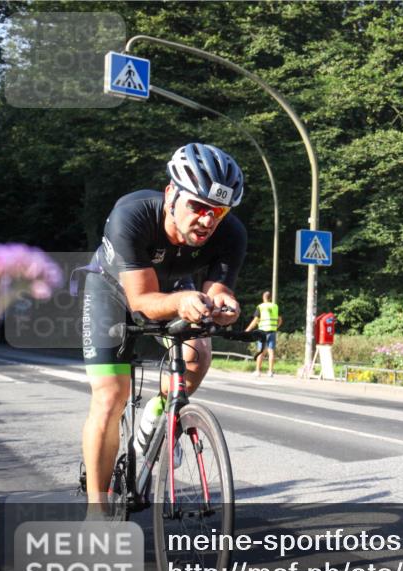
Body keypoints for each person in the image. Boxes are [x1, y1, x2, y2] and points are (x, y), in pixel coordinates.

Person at [79, 142, 247, 511]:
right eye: (198, 207)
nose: (207, 220)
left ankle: (160, 411)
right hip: (114, 292)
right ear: (171, 194)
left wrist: (223, 305)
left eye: (217, 211)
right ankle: (96, 509)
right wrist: (182, 302)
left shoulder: (230, 233)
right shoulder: (132, 215)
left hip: (171, 287)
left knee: (199, 352)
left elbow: (216, 288)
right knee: (110, 396)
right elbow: (140, 301)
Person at [245, 291, 282, 377]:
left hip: (262, 331)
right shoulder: (275, 306)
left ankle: (258, 371)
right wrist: (276, 327)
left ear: (263, 297)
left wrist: (247, 330)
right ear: (271, 298)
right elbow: (280, 320)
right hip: (272, 331)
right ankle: (270, 372)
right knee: (271, 351)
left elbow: (255, 321)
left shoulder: (260, 307)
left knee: (261, 352)